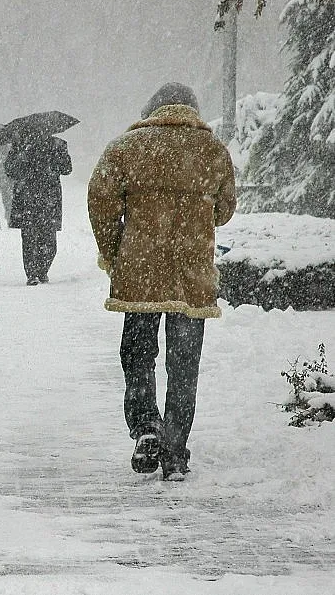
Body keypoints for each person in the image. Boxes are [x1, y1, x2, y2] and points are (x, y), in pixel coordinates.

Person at [87, 82, 236, 481]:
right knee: (184, 365)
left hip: (141, 273)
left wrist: (115, 249)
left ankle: (145, 426)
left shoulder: (127, 147)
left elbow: (100, 200)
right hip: (191, 273)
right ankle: (174, 450)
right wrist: (195, 213)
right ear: (193, 110)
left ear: (153, 108)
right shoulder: (213, 152)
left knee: (137, 355)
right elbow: (224, 211)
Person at [4, 133, 72, 284]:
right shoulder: (20, 145)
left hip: (49, 199)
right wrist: (21, 157)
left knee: (49, 240)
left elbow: (67, 169)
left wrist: (56, 159)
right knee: (29, 238)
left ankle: (42, 270)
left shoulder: (58, 144)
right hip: (27, 198)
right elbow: (9, 170)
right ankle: (32, 274)